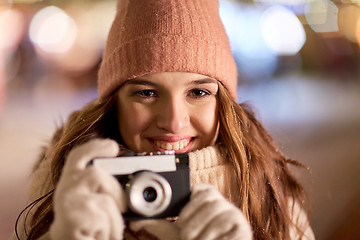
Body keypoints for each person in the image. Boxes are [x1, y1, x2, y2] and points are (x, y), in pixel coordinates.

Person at [14, 0, 315, 239]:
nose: (173, 122)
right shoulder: (64, 191)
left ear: (223, 102)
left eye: (198, 92)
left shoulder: (268, 193)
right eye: (146, 93)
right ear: (113, 103)